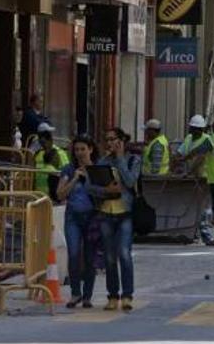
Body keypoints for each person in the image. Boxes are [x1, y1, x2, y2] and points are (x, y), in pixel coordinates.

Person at [96, 128, 140, 312]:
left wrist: (120, 158)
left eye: (113, 139)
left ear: (121, 141)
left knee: (124, 253)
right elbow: (93, 186)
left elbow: (130, 182)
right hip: (106, 213)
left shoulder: (133, 160)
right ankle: (112, 295)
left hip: (125, 214)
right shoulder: (103, 162)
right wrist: (107, 191)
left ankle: (127, 295)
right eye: (107, 139)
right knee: (109, 257)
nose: (109, 143)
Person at [56, 135, 99, 309]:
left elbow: (104, 192)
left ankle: (87, 295)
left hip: (92, 217)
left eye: (83, 149)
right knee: (74, 254)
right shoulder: (68, 169)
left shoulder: (98, 169)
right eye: (77, 150)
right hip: (73, 216)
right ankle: (75, 293)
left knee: (89, 257)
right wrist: (75, 178)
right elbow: (60, 194)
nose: (80, 153)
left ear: (90, 150)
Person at [34, 127, 70, 202]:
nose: (43, 145)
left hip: (54, 196)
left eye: (44, 142)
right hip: (39, 195)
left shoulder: (60, 153)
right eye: (40, 143)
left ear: (50, 140)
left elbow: (66, 173)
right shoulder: (38, 153)